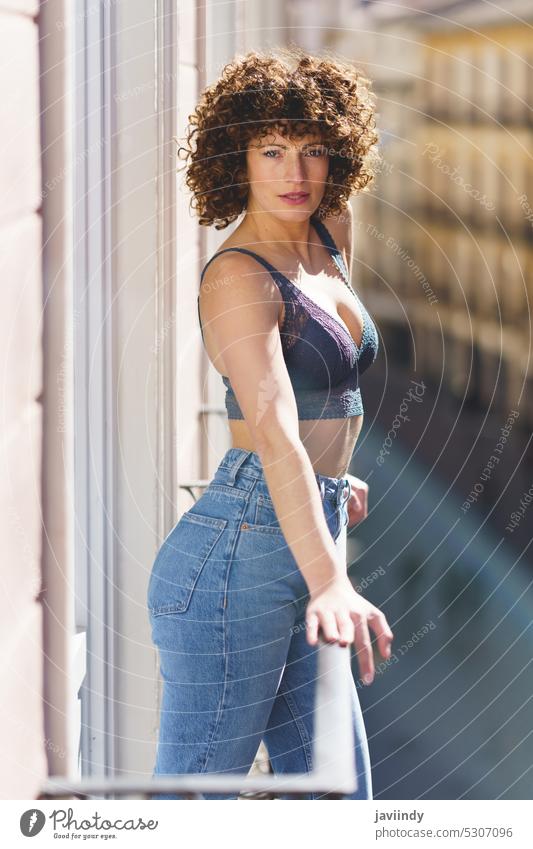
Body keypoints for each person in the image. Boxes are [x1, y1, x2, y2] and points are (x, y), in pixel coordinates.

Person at [147, 44, 394, 800]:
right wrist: (330, 582)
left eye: (313, 149)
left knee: (335, 794)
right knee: (196, 798)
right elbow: (275, 428)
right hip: (238, 557)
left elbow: (329, 386)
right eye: (271, 150)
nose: (295, 174)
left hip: (303, 518)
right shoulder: (236, 276)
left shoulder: (328, 233)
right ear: (237, 158)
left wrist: (332, 477)